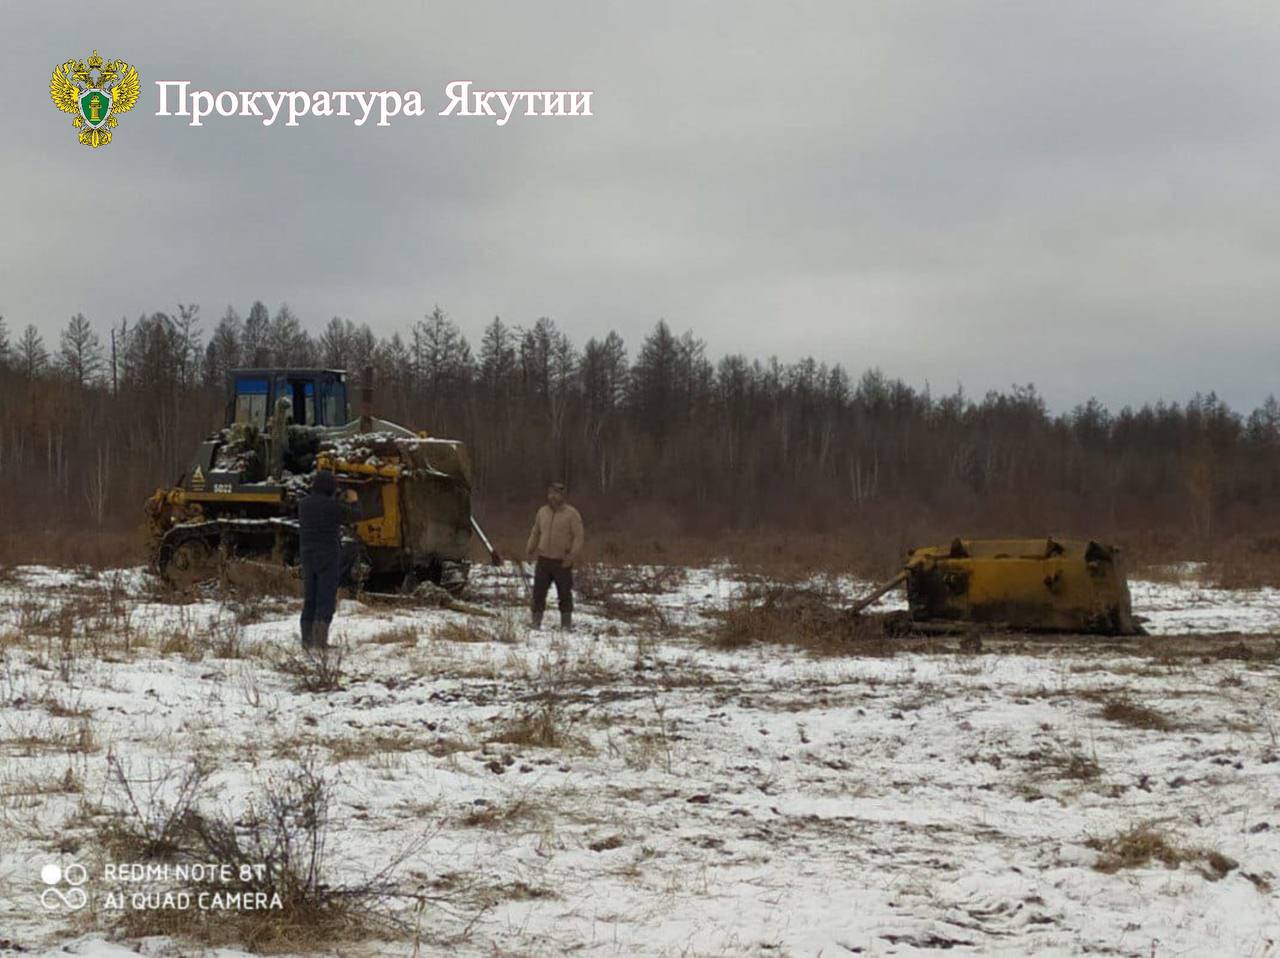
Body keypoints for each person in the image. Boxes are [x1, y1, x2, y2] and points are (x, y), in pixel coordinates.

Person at [298, 469, 360, 650]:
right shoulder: (332, 506)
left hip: (307, 556)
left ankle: (307, 640)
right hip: (327, 556)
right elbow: (356, 515)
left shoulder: (303, 504)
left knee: (310, 598)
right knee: (325, 599)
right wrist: (353, 499)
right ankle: (320, 642)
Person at [525, 481, 584, 629]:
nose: (553, 496)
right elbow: (536, 532)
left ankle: (566, 625)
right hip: (543, 559)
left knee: (564, 594)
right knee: (538, 593)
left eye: (556, 493)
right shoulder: (542, 512)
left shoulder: (572, 514)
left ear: (563, 495)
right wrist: (530, 550)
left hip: (562, 561)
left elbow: (578, 537)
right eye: (551, 493)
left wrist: (571, 556)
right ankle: (536, 622)